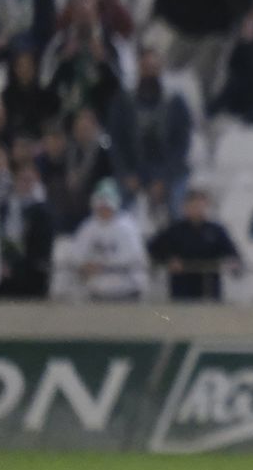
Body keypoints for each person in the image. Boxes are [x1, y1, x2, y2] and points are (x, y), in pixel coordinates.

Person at [108, 47, 193, 220]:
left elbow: (181, 145)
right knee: (115, 206)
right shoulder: (123, 102)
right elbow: (116, 142)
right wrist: (127, 174)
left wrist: (163, 178)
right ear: (139, 69)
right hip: (134, 169)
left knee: (179, 207)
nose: (149, 73)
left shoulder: (175, 103)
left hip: (168, 170)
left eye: (154, 68)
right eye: (146, 68)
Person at [147, 188, 240, 301]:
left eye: (200, 205)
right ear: (185, 207)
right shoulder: (174, 230)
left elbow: (232, 253)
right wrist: (169, 260)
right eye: (193, 205)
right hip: (181, 287)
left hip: (209, 288)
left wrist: (231, 262)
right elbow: (154, 248)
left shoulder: (216, 230)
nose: (197, 209)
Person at [68, 179, 148, 302]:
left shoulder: (127, 227)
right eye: (101, 206)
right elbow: (76, 256)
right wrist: (85, 266)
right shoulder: (88, 227)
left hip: (126, 292)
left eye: (107, 206)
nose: (104, 210)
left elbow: (133, 258)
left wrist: (102, 265)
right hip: (97, 294)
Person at [0, 162, 55, 298]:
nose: (26, 184)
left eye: (30, 180)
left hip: (30, 269)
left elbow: (42, 248)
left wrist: (16, 266)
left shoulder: (42, 212)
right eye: (22, 180)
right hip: (3, 267)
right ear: (15, 180)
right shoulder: (4, 208)